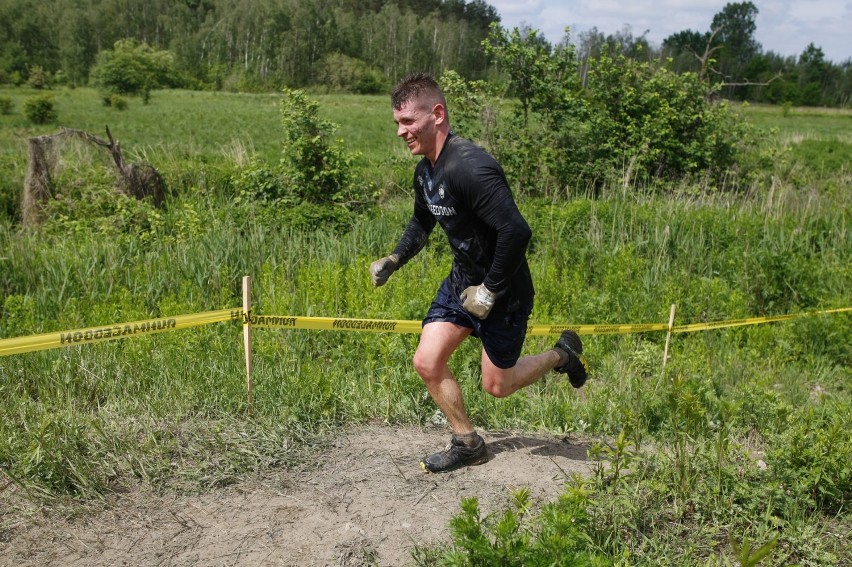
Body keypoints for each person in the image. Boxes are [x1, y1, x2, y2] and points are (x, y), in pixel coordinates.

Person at [370, 72, 588, 473]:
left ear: (436, 114)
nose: (400, 132)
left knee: (497, 386)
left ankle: (562, 354)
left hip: (503, 293)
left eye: (407, 122)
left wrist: (489, 290)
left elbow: (516, 231)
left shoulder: (472, 167)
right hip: (460, 283)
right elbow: (422, 222)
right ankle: (467, 442)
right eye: (397, 123)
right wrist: (396, 258)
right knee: (426, 360)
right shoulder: (426, 172)